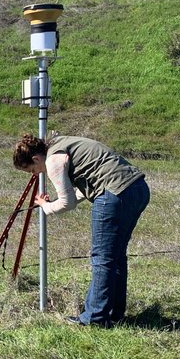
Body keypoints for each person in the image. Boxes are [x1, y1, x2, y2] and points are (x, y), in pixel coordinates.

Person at [12, 134, 149, 326]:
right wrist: (53, 202)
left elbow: (67, 204)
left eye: (32, 170)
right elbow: (80, 190)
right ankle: (114, 313)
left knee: (102, 257)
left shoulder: (53, 160)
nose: (35, 175)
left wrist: (45, 206)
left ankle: (94, 317)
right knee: (116, 256)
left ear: (36, 159)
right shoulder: (62, 144)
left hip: (114, 193)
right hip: (137, 188)